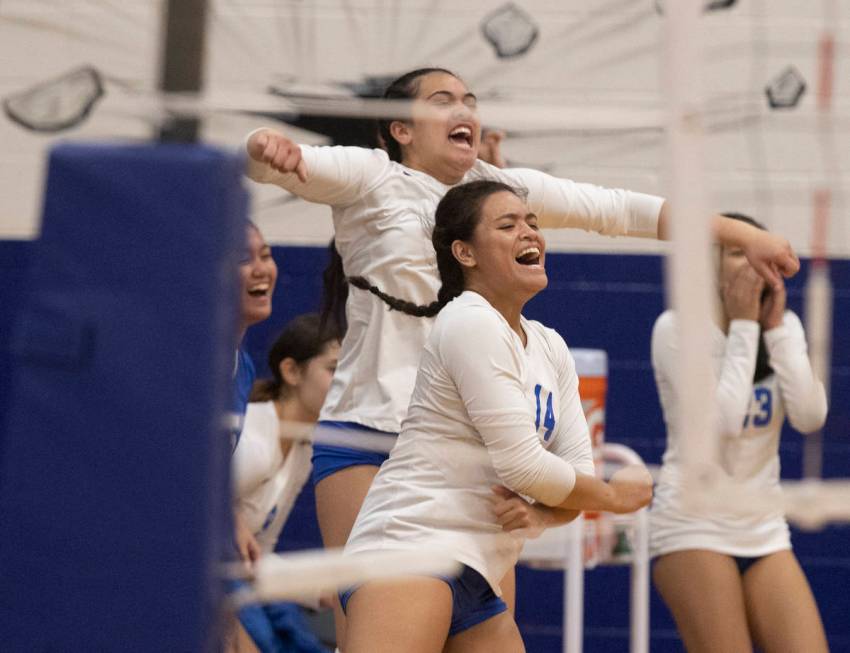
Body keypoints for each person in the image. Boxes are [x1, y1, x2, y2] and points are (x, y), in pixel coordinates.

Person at [244, 67, 800, 646]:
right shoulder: (373, 176)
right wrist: (264, 150)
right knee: (366, 623)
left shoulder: (502, 206)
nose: (463, 108)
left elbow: (617, 209)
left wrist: (738, 233)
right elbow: (273, 163)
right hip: (370, 431)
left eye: (470, 100)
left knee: (485, 621)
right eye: (442, 101)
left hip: (475, 453)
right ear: (400, 130)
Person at [339, 180, 652, 653]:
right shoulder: (469, 320)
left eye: (532, 222)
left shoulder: (549, 345)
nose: (530, 233)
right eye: (508, 225)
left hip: (478, 568)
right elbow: (526, 466)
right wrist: (615, 497)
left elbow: (573, 476)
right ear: (465, 253)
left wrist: (541, 511)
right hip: (411, 543)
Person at [649, 213, 829, 653]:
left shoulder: (782, 328)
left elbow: (810, 416)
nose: (751, 262)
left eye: (757, 252)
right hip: (693, 522)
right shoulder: (677, 329)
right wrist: (745, 327)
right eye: (735, 251)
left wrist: (774, 328)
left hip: (762, 524)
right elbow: (722, 424)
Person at [232, 313, 341, 653]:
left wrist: (318, 586)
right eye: (334, 369)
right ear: (292, 371)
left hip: (240, 580)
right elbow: (187, 508)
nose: (346, 383)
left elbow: (259, 553)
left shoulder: (304, 449)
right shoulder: (253, 437)